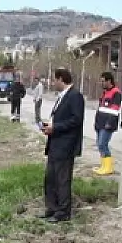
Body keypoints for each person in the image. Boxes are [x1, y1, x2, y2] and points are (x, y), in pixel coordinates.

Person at [40, 68, 84, 223]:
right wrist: (50, 126)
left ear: (60, 79)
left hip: (65, 145)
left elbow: (76, 120)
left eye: (54, 80)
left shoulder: (75, 96)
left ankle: (63, 212)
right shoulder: (61, 97)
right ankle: (51, 208)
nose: (53, 83)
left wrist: (56, 127)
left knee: (62, 180)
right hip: (55, 144)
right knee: (50, 178)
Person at [93, 71, 122, 176]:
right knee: (99, 145)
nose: (101, 83)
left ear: (109, 81)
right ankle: (103, 166)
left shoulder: (116, 93)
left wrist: (109, 123)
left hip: (107, 124)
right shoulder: (105, 92)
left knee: (103, 144)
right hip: (100, 123)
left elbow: (115, 110)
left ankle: (108, 167)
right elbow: (101, 108)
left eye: (103, 81)